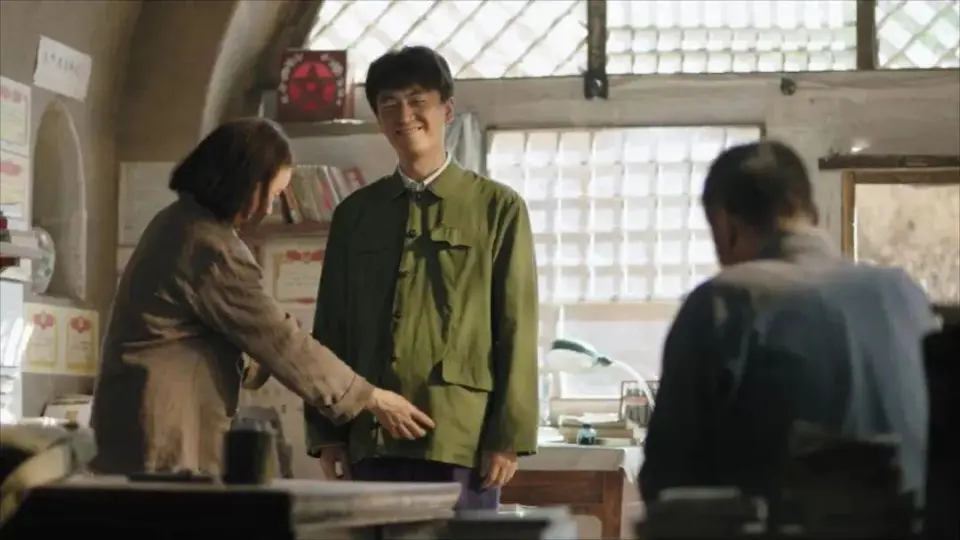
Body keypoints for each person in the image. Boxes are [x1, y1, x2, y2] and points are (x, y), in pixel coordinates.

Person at [90, 118, 434, 476]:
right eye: (270, 195)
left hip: (143, 420)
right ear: (242, 182)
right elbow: (280, 340)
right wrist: (371, 397)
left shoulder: (177, 222)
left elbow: (237, 337)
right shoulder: (208, 246)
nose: (269, 209)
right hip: (163, 428)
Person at [303, 46, 539, 510]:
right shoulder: (355, 214)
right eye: (389, 103)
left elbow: (516, 325)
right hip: (370, 433)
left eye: (417, 101)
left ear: (446, 110)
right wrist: (327, 433)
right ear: (377, 118)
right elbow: (330, 327)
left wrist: (508, 435)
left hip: (462, 435)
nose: (404, 115)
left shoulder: (497, 208)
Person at [639, 141, 937, 504]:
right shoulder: (905, 295)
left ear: (725, 226)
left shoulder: (724, 303)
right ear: (814, 213)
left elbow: (667, 484)